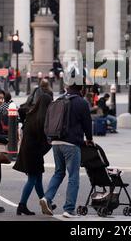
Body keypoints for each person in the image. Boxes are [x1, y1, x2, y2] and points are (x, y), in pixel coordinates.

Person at [40, 83, 94, 218]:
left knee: (58, 172)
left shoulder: (59, 100)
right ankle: (69, 209)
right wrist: (89, 138)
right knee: (73, 176)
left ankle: (47, 198)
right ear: (81, 89)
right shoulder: (82, 103)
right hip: (71, 143)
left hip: (56, 141)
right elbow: (87, 123)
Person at [13, 80, 54, 216]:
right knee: (32, 179)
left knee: (38, 178)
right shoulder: (43, 119)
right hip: (34, 152)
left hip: (27, 150)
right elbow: (45, 140)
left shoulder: (31, 114)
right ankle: (22, 205)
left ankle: (46, 201)